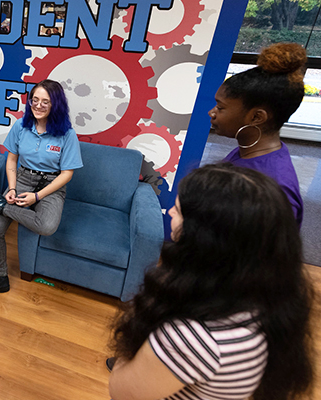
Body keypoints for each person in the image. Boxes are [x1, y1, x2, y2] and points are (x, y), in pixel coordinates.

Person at [108, 163, 314, 400]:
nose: (171, 213)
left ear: (205, 240)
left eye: (178, 209)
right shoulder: (266, 301)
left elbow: (122, 393)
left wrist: (143, 315)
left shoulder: (190, 338)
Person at [0, 79, 82, 298]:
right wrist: (11, 188)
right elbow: (11, 161)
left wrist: (37, 196)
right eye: (35, 100)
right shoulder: (21, 126)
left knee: (47, 225)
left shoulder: (67, 135)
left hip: (51, 186)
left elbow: (67, 174)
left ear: (56, 104)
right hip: (23, 178)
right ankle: (0, 278)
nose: (38, 106)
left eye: (45, 102)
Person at [208, 42, 306, 225]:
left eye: (220, 108)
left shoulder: (276, 188)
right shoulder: (245, 151)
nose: (212, 112)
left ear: (256, 117)